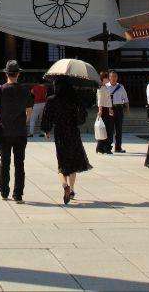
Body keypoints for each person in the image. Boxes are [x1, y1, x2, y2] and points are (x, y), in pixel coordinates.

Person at [0, 60, 33, 202]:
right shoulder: (25, 89)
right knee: (20, 163)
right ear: (18, 74)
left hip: (4, 131)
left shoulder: (1, 89)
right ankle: (18, 194)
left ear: (6, 74)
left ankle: (4, 192)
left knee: (5, 162)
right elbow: (29, 110)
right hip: (20, 131)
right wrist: (23, 121)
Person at [46, 76, 93, 204]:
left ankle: (64, 185)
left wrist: (46, 130)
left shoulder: (52, 100)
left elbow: (47, 117)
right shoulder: (74, 99)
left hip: (60, 132)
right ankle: (72, 189)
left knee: (62, 160)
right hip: (73, 131)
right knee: (73, 160)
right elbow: (82, 116)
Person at [107, 71, 130, 153]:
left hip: (119, 109)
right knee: (109, 129)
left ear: (117, 77)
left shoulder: (121, 87)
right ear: (109, 77)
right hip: (109, 109)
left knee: (119, 129)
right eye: (112, 76)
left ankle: (118, 147)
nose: (113, 78)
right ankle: (108, 147)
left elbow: (125, 99)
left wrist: (127, 109)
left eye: (115, 76)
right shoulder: (106, 87)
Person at [95, 70, 115, 154]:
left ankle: (102, 147)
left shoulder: (106, 87)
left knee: (108, 129)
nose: (108, 79)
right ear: (102, 79)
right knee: (105, 129)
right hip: (103, 109)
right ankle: (104, 148)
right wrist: (100, 110)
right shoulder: (100, 88)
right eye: (106, 78)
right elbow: (100, 100)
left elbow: (108, 99)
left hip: (107, 109)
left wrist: (110, 108)